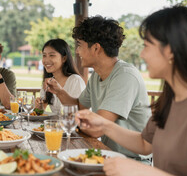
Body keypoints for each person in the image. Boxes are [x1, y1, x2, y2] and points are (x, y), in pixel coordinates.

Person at [77, 6, 187, 176]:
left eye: (147, 46)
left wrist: (143, 172)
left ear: (170, 51)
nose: (142, 55)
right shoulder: (170, 100)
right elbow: (144, 144)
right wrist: (104, 125)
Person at [46, 16, 151, 160]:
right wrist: (59, 91)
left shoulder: (125, 76)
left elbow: (97, 129)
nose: (77, 51)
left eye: (80, 45)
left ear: (96, 48)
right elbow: (78, 106)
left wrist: (67, 123)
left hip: (133, 162)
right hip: (106, 155)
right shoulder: (96, 75)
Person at [35, 38, 85, 113]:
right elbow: (41, 110)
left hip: (73, 124)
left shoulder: (75, 81)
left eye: (52, 55)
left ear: (64, 58)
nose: (46, 60)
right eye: (44, 55)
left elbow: (81, 112)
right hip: (56, 124)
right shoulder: (49, 82)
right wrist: (40, 106)